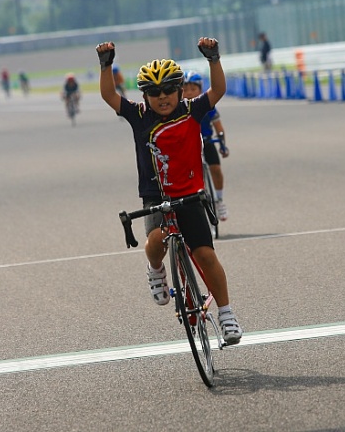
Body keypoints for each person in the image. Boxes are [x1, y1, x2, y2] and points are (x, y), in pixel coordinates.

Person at [95, 37, 242, 345]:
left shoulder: (192, 109)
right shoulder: (139, 116)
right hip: (156, 197)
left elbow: (218, 91)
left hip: (190, 194)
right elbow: (110, 94)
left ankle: (227, 313)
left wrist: (213, 60)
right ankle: (156, 270)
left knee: (205, 254)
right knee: (155, 240)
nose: (162, 98)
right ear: (145, 96)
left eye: (167, 91)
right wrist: (106, 65)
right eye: (153, 93)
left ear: (179, 89)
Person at [182, 70, 229, 221]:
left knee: (215, 168)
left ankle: (219, 199)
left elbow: (219, 128)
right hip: (187, 145)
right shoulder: (179, 109)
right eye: (185, 89)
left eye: (193, 89)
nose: (189, 93)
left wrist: (223, 145)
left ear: (200, 90)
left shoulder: (208, 105)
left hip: (206, 140)